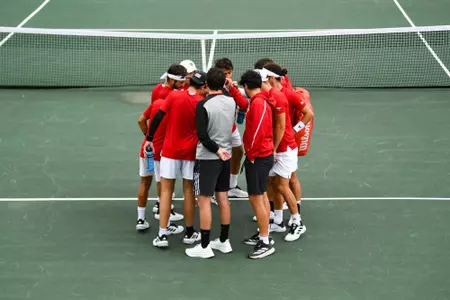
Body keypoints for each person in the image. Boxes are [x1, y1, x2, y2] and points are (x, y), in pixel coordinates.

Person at [145, 70, 209, 248]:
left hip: (170, 151)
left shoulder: (173, 96)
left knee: (166, 191)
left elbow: (157, 116)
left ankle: (162, 235)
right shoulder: (201, 103)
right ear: (203, 86)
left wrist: (149, 139)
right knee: (188, 191)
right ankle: (189, 232)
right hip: (190, 153)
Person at [185, 67, 236, 258]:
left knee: (204, 200)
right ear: (224, 83)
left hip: (208, 158)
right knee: (223, 198)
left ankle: (205, 247)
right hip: (226, 157)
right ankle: (224, 241)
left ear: (206, 85)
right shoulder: (231, 101)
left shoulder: (203, 105)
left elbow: (202, 135)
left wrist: (216, 150)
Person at [228, 70, 277, 259]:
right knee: (261, 195)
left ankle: (265, 241)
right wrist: (232, 90)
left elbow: (256, 132)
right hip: (262, 155)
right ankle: (264, 233)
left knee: (256, 198)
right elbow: (244, 105)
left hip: (258, 157)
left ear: (246, 86)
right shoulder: (259, 101)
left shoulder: (258, 104)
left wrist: (251, 155)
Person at [264, 62, 314, 238]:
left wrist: (294, 129)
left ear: (271, 77)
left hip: (285, 147)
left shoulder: (289, 95)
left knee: (283, 185)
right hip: (273, 146)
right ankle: (277, 221)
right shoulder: (267, 94)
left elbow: (309, 114)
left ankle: (297, 221)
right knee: (271, 183)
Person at [136, 64, 186, 231]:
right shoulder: (174, 101)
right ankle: (165, 220)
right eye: (180, 82)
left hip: (146, 149)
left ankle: (141, 220)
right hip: (160, 152)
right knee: (163, 186)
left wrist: (149, 138)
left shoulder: (157, 94)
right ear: (171, 79)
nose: (183, 85)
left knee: (145, 182)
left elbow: (142, 120)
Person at [214, 58, 249, 199]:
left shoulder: (232, 86)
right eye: (224, 73)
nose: (227, 76)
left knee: (238, 152)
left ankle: (232, 186)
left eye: (229, 73)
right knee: (218, 159)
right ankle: (213, 190)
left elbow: (246, 99)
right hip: (216, 129)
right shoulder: (214, 86)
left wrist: (234, 89)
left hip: (231, 127)